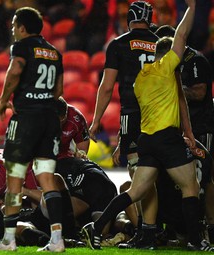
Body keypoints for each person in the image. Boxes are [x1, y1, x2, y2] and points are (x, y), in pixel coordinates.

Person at [82, 0, 214, 251]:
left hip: (145, 138)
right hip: (167, 138)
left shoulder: (141, 80)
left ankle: (96, 228)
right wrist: (192, 8)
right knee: (191, 187)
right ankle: (196, 240)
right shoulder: (167, 70)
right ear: (169, 58)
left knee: (137, 190)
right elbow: (182, 34)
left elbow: (111, 87)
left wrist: (105, 125)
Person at [0, 7, 65, 252]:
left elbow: (14, 71)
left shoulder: (21, 46)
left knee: (14, 177)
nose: (13, 30)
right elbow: (58, 91)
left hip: (26, 121)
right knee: (46, 178)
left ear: (22, 27)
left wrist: (3, 100)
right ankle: (57, 240)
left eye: (14, 25)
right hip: (50, 119)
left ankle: (9, 240)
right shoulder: (55, 52)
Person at [88, 1, 159, 248]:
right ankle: (152, 230)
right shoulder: (161, 43)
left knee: (139, 174)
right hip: (162, 114)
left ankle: (146, 231)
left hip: (133, 115)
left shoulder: (118, 44)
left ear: (129, 18)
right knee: (152, 174)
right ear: (150, 18)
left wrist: (96, 119)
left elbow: (107, 87)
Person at [154, 25, 214, 157]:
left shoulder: (195, 60)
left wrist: (173, 90)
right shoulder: (168, 64)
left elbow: (200, 93)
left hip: (201, 127)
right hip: (181, 129)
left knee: (205, 169)